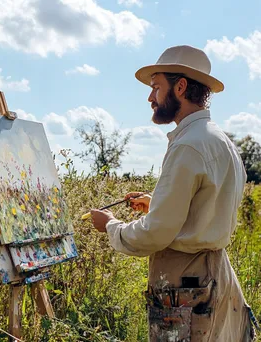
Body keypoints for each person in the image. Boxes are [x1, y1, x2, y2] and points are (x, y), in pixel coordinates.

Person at [90, 45, 256, 341]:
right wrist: (156, 204)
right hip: (215, 274)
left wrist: (111, 226)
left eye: (156, 87)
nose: (150, 97)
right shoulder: (222, 142)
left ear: (180, 87)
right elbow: (206, 211)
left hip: (185, 282)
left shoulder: (188, 145)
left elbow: (156, 234)